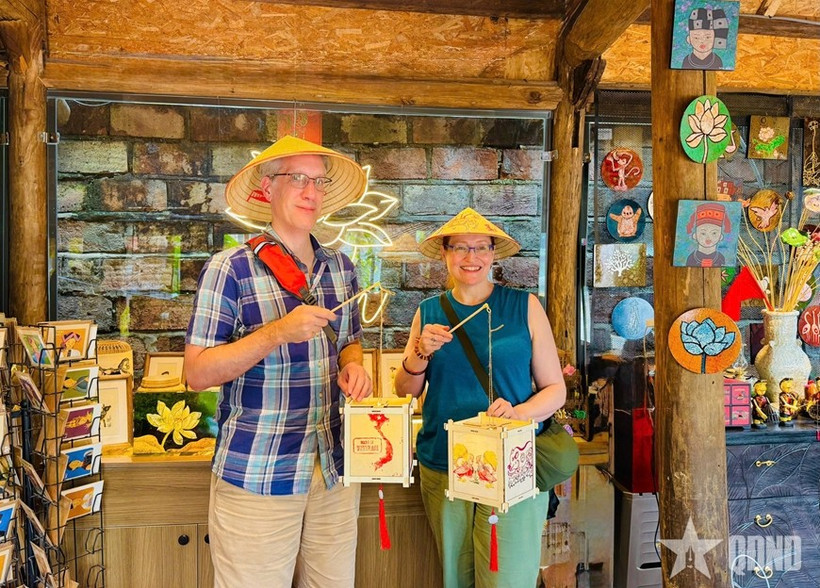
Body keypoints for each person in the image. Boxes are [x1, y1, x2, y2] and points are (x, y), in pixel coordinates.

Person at [184, 135, 373, 587]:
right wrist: (277, 333)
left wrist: (354, 365)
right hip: (257, 471)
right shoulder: (230, 268)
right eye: (298, 179)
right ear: (267, 189)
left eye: (319, 182)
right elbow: (196, 373)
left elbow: (349, 341)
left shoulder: (342, 268)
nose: (311, 192)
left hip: (334, 470)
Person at [394, 208, 579, 587]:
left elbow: (555, 389)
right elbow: (405, 391)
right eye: (459, 247)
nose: (470, 257)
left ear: (493, 254)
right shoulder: (429, 312)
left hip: (512, 462)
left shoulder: (523, 306)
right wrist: (419, 352)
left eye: (480, 247)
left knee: (507, 578)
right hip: (445, 461)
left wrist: (519, 412)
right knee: (455, 577)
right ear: (445, 254)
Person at [685, 202, 731, 267]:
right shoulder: (691, 258)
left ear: (720, 236)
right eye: (703, 233)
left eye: (714, 233)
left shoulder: (721, 258)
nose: (708, 238)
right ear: (695, 235)